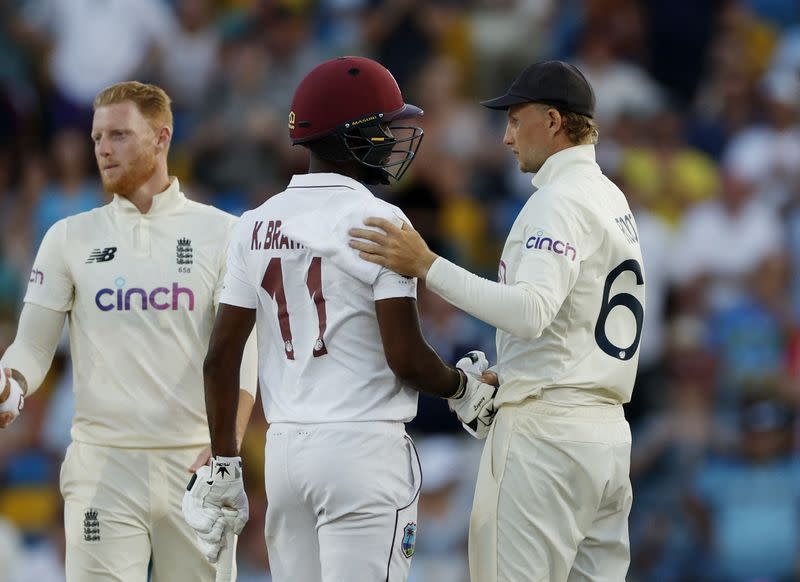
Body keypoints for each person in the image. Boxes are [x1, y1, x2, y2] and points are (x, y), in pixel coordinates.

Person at [181, 56, 497, 582]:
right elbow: (404, 357)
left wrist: (225, 465)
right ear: (355, 137)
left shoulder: (254, 223)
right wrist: (461, 386)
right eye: (384, 127)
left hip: (284, 454)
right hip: (362, 449)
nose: (394, 138)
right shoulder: (379, 218)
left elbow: (219, 359)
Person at [349, 60, 645, 581]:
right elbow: (566, 320)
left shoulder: (557, 200)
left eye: (514, 119)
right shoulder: (610, 197)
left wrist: (427, 265)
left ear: (552, 121)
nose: (506, 137)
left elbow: (532, 312)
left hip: (546, 437)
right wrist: (515, 372)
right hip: (606, 435)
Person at [0, 81, 257, 581]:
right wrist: (12, 382)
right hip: (103, 467)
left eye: (118, 135)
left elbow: (244, 352)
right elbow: (33, 345)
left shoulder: (223, 234)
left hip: (195, 467)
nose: (101, 149)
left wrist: (229, 444)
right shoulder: (69, 237)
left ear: (162, 139)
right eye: (97, 137)